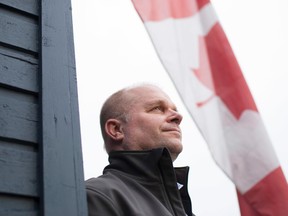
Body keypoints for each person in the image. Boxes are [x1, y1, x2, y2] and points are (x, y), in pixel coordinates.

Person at [86, 84, 195, 216]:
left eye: (174, 110)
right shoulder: (97, 196)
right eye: (157, 108)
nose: (178, 116)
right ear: (116, 129)